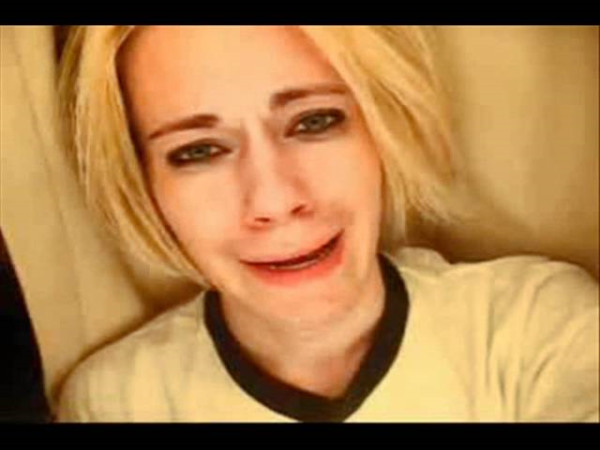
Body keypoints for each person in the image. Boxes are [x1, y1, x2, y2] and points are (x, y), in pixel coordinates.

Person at [56, 25, 599, 422]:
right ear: (143, 184)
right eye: (199, 151)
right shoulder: (119, 403)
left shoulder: (536, 328)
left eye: (314, 121)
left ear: (383, 128)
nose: (274, 200)